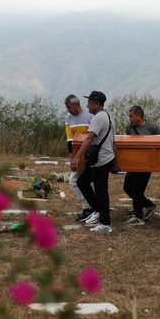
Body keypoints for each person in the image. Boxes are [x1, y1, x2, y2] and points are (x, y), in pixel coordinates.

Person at [71, 91, 115, 233]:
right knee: (82, 181)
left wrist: (77, 157)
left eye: (89, 103)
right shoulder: (108, 117)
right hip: (103, 158)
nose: (87, 105)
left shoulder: (97, 118)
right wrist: (115, 160)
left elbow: (89, 138)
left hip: (101, 159)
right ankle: (97, 210)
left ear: (97, 104)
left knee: (101, 191)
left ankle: (105, 223)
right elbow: (113, 141)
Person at [122, 105, 160, 226]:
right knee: (127, 187)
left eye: (131, 116)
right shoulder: (129, 128)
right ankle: (149, 205)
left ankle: (138, 216)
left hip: (146, 164)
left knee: (137, 189)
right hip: (133, 163)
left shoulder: (153, 128)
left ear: (139, 116)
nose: (129, 119)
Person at [64, 95, 94, 222]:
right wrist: (73, 159)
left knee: (83, 181)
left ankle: (92, 208)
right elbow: (70, 141)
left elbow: (92, 138)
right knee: (73, 180)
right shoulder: (68, 119)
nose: (68, 110)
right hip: (78, 156)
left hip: (92, 155)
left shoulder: (90, 118)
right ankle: (88, 207)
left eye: (69, 107)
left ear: (76, 105)